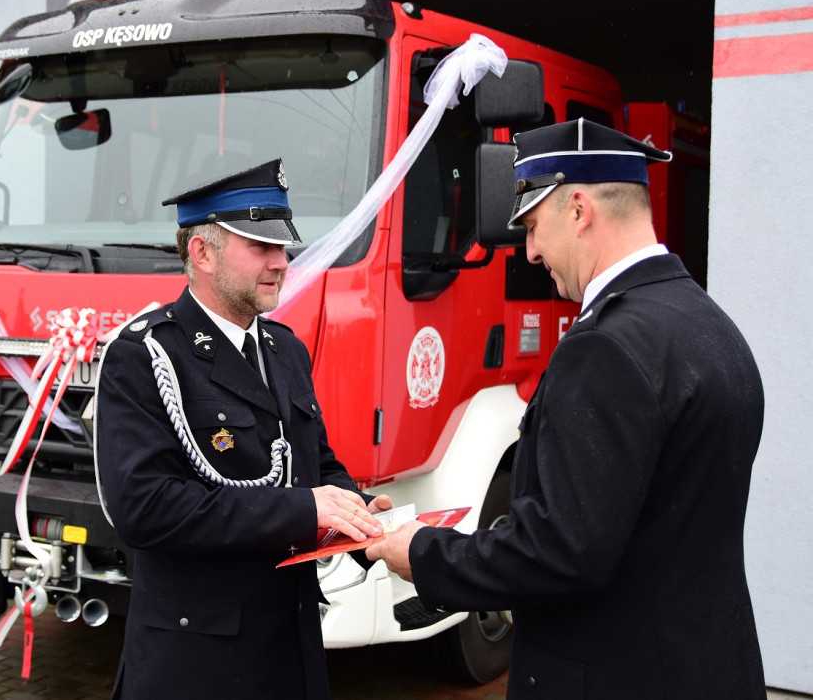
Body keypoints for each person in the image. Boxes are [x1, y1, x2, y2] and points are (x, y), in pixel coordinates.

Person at [367, 118, 766, 698]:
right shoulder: (709, 322)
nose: (530, 252)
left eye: (531, 226)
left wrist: (424, 555)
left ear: (578, 209)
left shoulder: (606, 345)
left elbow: (560, 552)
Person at [94, 158, 391, 700]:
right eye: (261, 247)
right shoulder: (145, 355)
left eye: (283, 247)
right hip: (197, 663)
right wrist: (306, 510)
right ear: (202, 253)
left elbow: (315, 465)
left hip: (291, 650)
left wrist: (355, 513)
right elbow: (144, 507)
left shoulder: (285, 349)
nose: (282, 262)